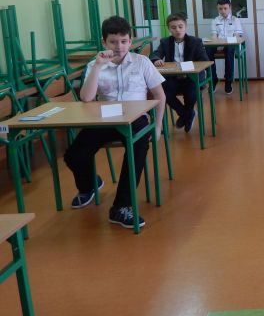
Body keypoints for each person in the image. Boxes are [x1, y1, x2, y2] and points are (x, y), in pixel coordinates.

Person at [64, 16, 166, 229]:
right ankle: (90, 185)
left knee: (137, 148)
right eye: (113, 42)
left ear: (130, 41)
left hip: (136, 119)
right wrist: (97, 66)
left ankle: (121, 206)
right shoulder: (95, 65)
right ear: (104, 42)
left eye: (124, 41)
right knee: (74, 155)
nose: (119, 47)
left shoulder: (142, 62)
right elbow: (86, 98)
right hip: (105, 119)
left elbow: (160, 96)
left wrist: (157, 127)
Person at [150, 12, 209, 132]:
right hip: (173, 77)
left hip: (191, 77)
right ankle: (187, 114)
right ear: (169, 29)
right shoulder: (165, 42)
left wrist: (194, 66)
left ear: (185, 27)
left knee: (191, 93)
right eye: (173, 27)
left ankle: (186, 114)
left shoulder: (195, 41)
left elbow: (204, 60)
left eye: (180, 26)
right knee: (165, 93)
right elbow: (155, 54)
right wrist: (156, 60)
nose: (177, 30)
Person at [207, 0, 244, 95]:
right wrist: (217, 43)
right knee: (207, 50)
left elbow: (237, 36)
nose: (223, 11)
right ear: (217, 8)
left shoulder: (235, 20)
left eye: (225, 8)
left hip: (230, 46)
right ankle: (213, 80)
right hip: (218, 44)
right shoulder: (215, 20)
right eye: (220, 9)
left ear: (230, 7)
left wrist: (229, 42)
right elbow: (214, 36)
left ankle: (228, 81)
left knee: (229, 49)